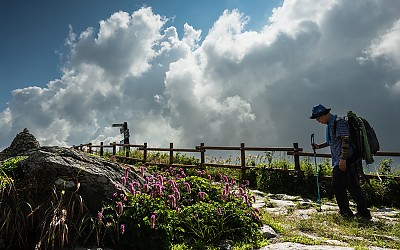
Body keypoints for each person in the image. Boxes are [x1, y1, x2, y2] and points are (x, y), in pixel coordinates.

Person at [309, 104, 371, 219]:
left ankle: (346, 213)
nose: (318, 121)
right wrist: (319, 146)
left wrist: (343, 159)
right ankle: (364, 213)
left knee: (338, 187)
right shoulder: (332, 124)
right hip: (347, 160)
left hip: (344, 160)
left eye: (318, 118)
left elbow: (345, 140)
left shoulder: (339, 122)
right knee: (353, 187)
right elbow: (333, 141)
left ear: (324, 114)